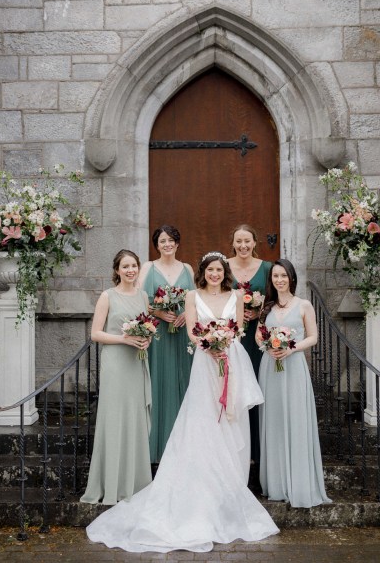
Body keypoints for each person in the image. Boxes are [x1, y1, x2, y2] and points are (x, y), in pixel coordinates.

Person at [85, 252, 279, 553]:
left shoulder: (237, 296)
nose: (214, 274)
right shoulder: (191, 296)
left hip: (232, 359)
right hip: (204, 361)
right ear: (202, 272)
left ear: (223, 271)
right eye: (209, 270)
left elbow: (239, 331)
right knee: (204, 417)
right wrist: (208, 345)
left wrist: (224, 344)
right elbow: (191, 331)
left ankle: (232, 486)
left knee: (232, 419)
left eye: (218, 269)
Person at [257, 259, 331, 508]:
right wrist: (267, 346)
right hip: (270, 367)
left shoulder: (304, 305)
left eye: (284, 276)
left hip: (294, 366)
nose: (279, 280)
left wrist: (290, 348)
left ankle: (299, 484)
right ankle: (276, 484)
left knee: (296, 421)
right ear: (271, 280)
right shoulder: (266, 307)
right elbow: (259, 334)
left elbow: (313, 337)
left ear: (291, 278)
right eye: (275, 276)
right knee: (274, 422)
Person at [80, 249, 152, 505]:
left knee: (134, 419)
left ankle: (136, 483)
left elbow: (147, 329)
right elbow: (96, 334)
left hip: (136, 364)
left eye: (134, 265)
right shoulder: (107, 296)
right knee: (114, 419)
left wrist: (145, 341)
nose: (130, 270)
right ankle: (110, 486)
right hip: (116, 365)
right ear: (117, 270)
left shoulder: (143, 297)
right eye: (125, 266)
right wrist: (124, 338)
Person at [138, 225, 194, 463]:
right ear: (156, 244)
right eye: (163, 241)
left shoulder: (187, 268)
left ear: (178, 243)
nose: (167, 244)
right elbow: (139, 299)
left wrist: (186, 314)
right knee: (160, 383)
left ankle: (184, 447)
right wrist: (159, 314)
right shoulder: (148, 267)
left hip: (182, 335)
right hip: (159, 335)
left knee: (183, 381)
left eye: (171, 240)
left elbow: (195, 300)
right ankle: (156, 448)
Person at [227, 224, 272, 467]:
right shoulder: (223, 267)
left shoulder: (266, 268)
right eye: (238, 241)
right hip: (231, 337)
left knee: (256, 385)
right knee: (234, 387)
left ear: (255, 242)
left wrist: (259, 314)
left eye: (247, 241)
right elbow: (215, 295)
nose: (243, 246)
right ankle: (235, 449)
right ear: (232, 243)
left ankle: (257, 447)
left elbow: (276, 298)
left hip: (257, 336)